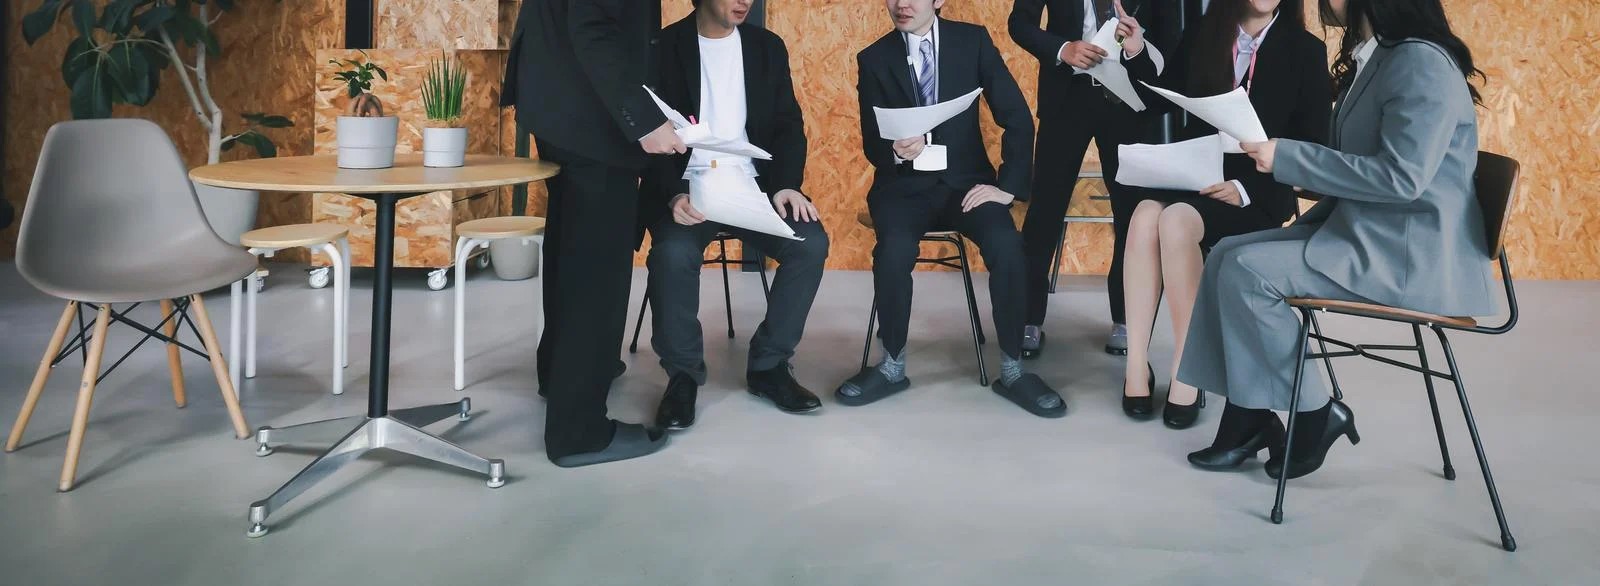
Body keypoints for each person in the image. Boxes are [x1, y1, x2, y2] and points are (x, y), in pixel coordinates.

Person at [1180, 0, 1493, 480]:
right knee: (1226, 255)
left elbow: (1402, 179)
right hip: (1373, 233)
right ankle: (1247, 417)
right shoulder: (1383, 55)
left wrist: (1288, 158)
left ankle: (1314, 411)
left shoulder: (1419, 61)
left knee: (1246, 272)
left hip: (1408, 255)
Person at [840, 0, 1065, 418]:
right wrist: (894, 150)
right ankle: (891, 366)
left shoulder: (972, 42)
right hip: (903, 190)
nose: (901, 4)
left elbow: (1016, 116)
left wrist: (1006, 188)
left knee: (1007, 246)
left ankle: (1013, 370)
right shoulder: (873, 58)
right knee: (892, 252)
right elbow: (873, 141)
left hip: (967, 186)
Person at [1116, 0, 1329, 429]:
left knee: (1175, 221)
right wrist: (1136, 51)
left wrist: (1246, 189)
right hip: (1197, 177)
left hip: (1257, 193)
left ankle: (1187, 369)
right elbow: (1157, 100)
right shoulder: (1205, 34)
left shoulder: (1306, 49)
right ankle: (1135, 365)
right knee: (1143, 216)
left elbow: (1312, 146)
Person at [501, 0, 685, 468]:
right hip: (590, 114)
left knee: (571, 249)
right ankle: (579, 431)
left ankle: (562, 375)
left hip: (562, 103)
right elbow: (593, 27)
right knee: (597, 270)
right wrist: (644, 119)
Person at [641, 0, 830, 430]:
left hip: (752, 184)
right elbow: (646, 135)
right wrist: (672, 195)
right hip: (688, 186)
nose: (745, 0)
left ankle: (769, 366)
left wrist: (786, 185)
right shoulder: (662, 47)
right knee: (672, 254)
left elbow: (788, 124)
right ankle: (682, 376)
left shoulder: (767, 47)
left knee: (810, 244)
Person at [1009, 0, 1163, 359]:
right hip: (1066, 95)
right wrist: (1062, 48)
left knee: (1131, 213)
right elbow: (1019, 23)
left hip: (1128, 99)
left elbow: (1166, 23)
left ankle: (1125, 317)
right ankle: (1028, 318)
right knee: (1045, 209)